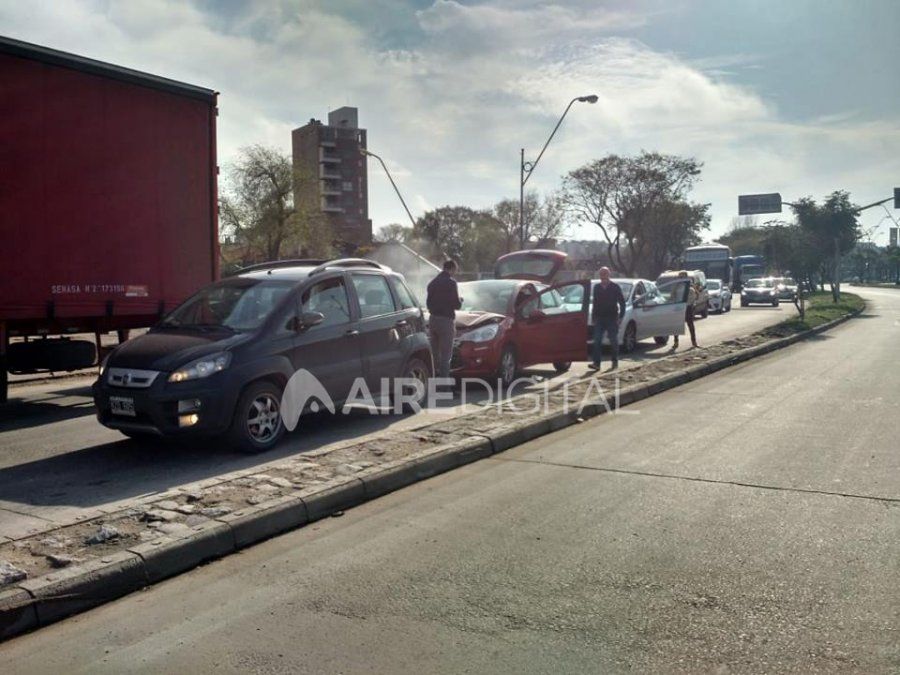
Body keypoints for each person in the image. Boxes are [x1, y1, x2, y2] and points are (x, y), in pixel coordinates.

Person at [426, 259, 462, 378]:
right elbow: (456, 305)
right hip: (446, 321)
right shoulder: (451, 283)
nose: (455, 273)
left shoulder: (432, 283)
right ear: (451, 269)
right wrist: (460, 300)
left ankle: (432, 381)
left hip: (432, 320)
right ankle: (444, 384)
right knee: (446, 356)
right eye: (455, 270)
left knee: (434, 354)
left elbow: (428, 304)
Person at [589, 266, 626, 371]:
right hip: (599, 318)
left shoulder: (615, 287)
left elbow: (622, 302)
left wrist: (621, 317)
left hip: (612, 318)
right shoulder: (597, 287)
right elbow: (595, 303)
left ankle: (614, 361)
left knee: (613, 340)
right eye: (601, 274)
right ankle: (596, 363)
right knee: (597, 340)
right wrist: (593, 317)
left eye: (605, 274)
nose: (603, 276)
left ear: (609, 274)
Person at [673, 271, 699, 349]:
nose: (680, 278)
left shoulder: (690, 286)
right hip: (679, 307)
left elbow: (696, 296)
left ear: (686, 277)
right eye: (679, 277)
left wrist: (691, 303)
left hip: (688, 307)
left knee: (690, 325)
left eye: (682, 277)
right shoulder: (677, 286)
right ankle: (676, 342)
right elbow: (673, 295)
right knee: (677, 325)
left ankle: (694, 342)